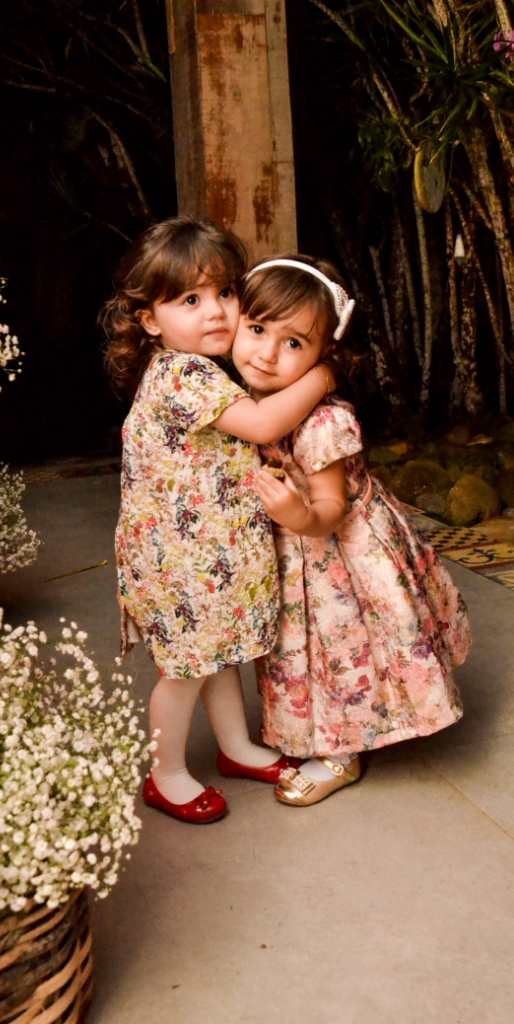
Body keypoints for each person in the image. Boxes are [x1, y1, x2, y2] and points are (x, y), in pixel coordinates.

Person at [101, 217, 335, 823]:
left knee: (217, 655)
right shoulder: (181, 374)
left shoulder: (202, 370)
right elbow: (261, 425)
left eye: (225, 293)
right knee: (185, 671)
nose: (215, 312)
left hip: (205, 553)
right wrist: (322, 375)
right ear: (150, 320)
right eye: (189, 300)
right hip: (180, 558)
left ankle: (235, 748)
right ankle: (166, 774)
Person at [233, 254, 471, 807]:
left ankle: (341, 752)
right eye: (258, 329)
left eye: (294, 342)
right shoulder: (243, 399)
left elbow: (329, 507)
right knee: (300, 647)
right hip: (295, 549)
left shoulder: (323, 420)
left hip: (338, 551)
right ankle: (315, 730)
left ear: (325, 355)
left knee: (343, 644)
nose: (267, 353)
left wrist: (296, 515)